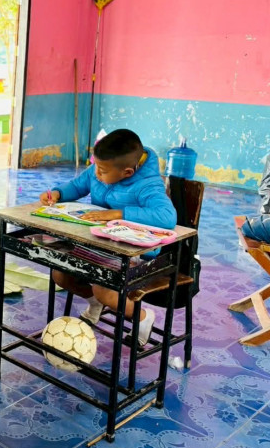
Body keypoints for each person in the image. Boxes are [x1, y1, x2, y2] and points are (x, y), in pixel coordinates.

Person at [38, 128, 177, 345]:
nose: (96, 174)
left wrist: (119, 214)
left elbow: (167, 216)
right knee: (61, 273)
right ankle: (95, 303)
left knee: (104, 288)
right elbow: (78, 185)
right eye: (95, 166)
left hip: (132, 251)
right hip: (99, 242)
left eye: (101, 170)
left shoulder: (147, 184)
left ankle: (143, 317)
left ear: (127, 172)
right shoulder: (103, 168)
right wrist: (57, 194)